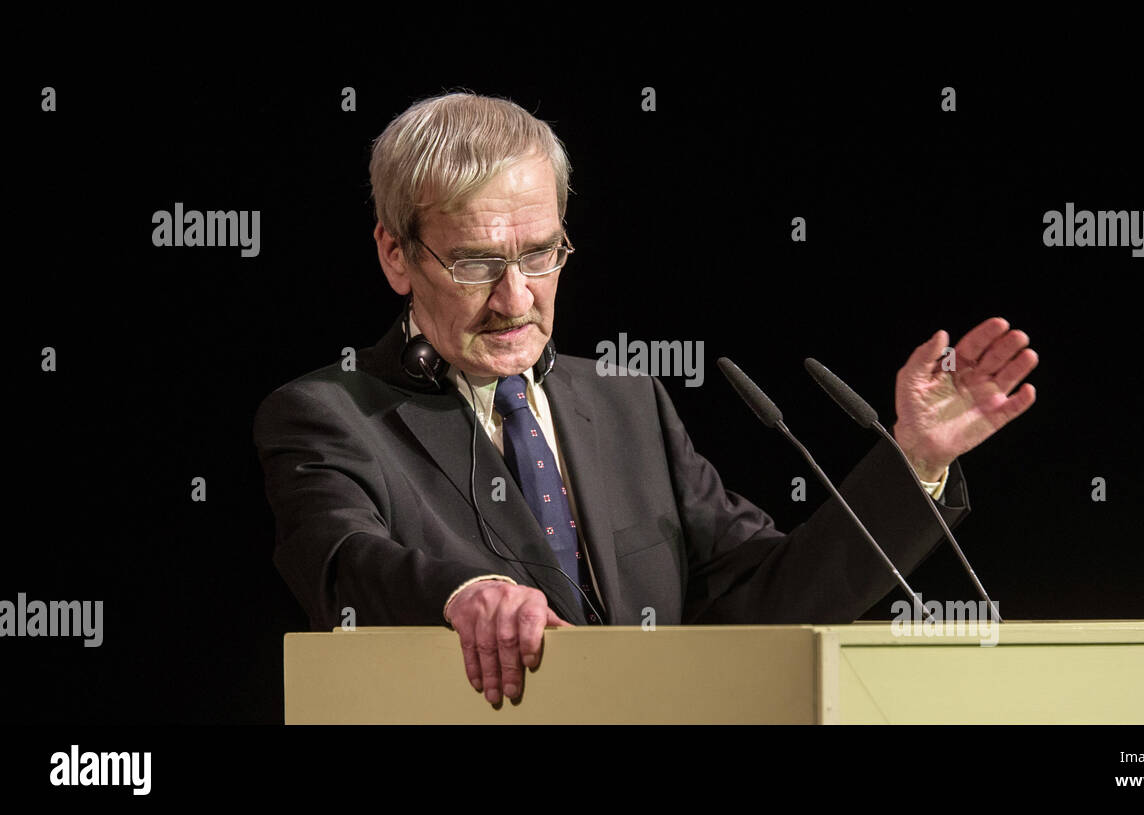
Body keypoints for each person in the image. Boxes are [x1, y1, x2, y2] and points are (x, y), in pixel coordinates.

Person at [253, 92, 1039, 707]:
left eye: (539, 253)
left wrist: (915, 460)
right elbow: (345, 564)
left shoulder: (625, 401)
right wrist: (465, 593)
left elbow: (768, 600)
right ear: (396, 254)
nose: (515, 297)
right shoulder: (328, 414)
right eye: (475, 263)